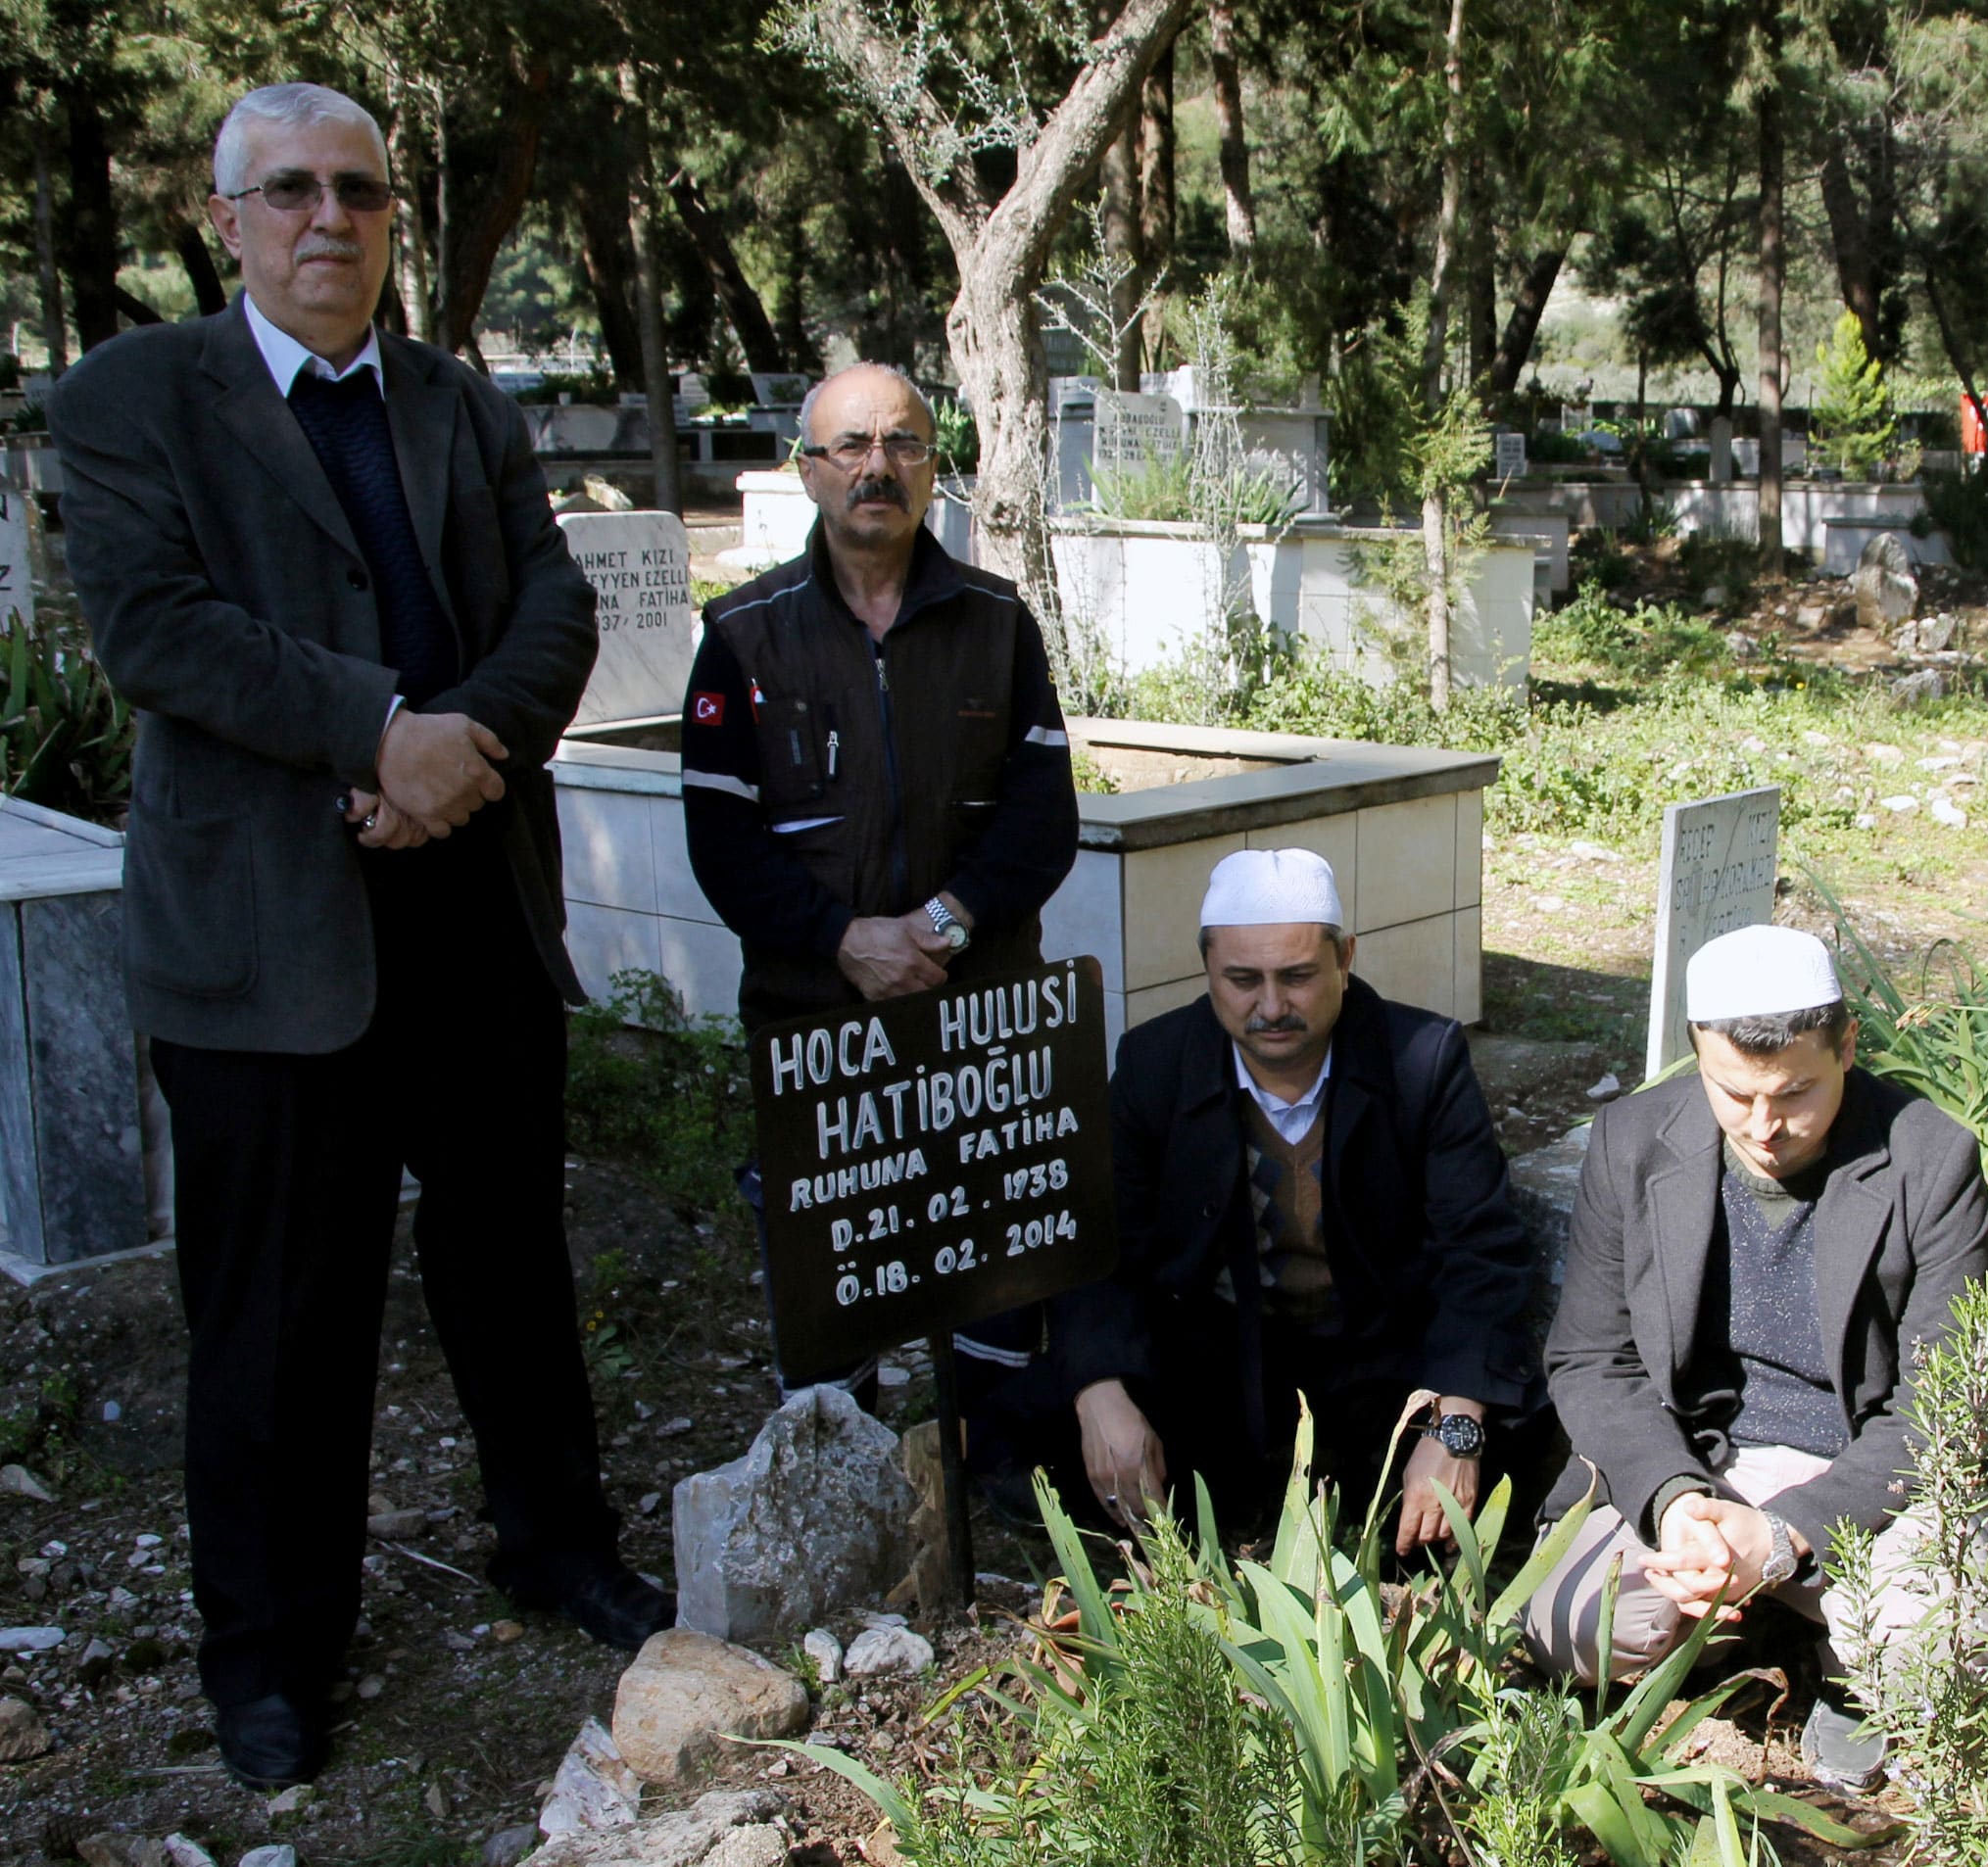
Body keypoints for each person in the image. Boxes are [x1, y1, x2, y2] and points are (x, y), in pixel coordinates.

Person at [46, 82, 669, 1793]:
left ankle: (551, 1540)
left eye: (363, 192)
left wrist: (455, 752)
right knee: (274, 1321)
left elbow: (547, 601)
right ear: (230, 218)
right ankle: (269, 1655)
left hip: (465, 902)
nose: (333, 218)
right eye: (295, 191)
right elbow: (156, 628)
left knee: (510, 1271)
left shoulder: (459, 402)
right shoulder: (129, 399)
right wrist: (372, 732)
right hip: (268, 935)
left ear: (393, 219)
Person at [1521, 923, 1988, 1794]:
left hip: (1857, 1473)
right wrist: (1675, 1503)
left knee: (1947, 1654)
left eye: (1794, 1094)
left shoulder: (1929, 1158)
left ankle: (1839, 1663)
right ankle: (1750, 1619)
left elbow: (1944, 1405)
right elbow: (1593, 1359)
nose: (1763, 1126)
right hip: (1697, 1459)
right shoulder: (1633, 1140)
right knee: (1572, 1632)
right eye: (1731, 1094)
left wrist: (1781, 1534)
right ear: (1698, 1054)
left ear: (1846, 1046)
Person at [680, 361, 1080, 1403]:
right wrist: (843, 940)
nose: (877, 468)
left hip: (976, 1011)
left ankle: (992, 1461)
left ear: (932, 467)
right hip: (817, 1020)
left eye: (901, 444)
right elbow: (724, 848)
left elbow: (1043, 823)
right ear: (807, 471)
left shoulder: (999, 624)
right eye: (850, 447)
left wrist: (943, 925)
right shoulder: (741, 635)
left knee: (994, 1255)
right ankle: (839, 1450)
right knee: (831, 1280)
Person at [1050, 848, 1545, 1556]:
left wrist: (1453, 1426)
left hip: (1377, 1359)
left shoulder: (1421, 1058)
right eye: (1242, 980)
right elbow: (1102, 1247)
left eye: (1298, 977)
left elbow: (1481, 1253)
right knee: (1053, 1419)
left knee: (1501, 1447)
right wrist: (1099, 1392)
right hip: (1215, 1362)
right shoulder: (1155, 1063)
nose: (1272, 1007)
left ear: (1345, 958)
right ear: (1207, 970)